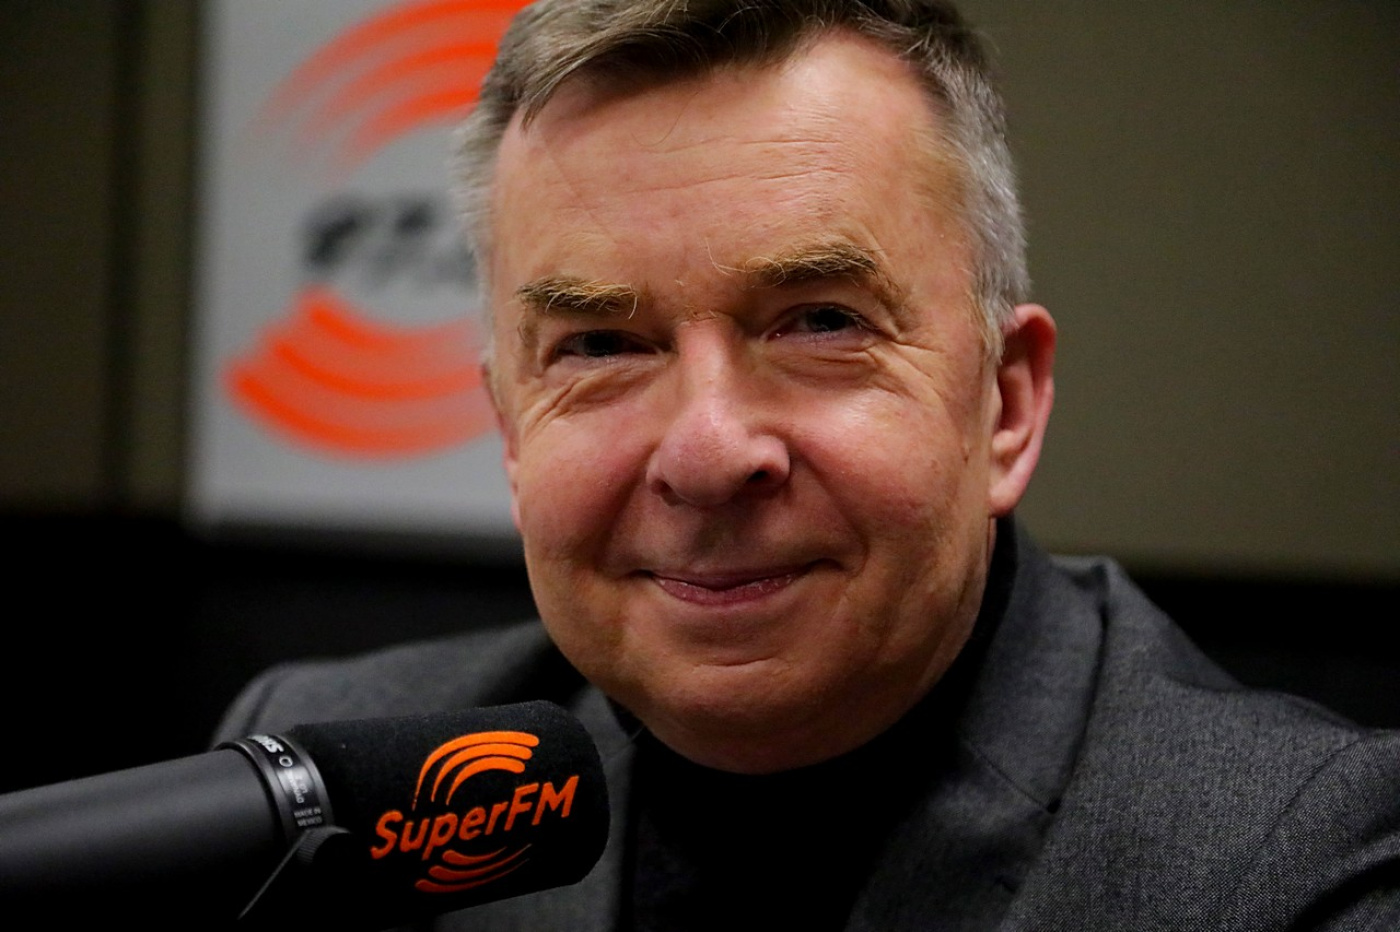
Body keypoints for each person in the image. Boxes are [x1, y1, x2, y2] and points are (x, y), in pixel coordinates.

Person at [219, 2, 1400, 928]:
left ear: (1003, 403)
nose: (706, 452)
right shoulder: (323, 787)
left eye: (819, 322)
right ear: (513, 428)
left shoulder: (1292, 863)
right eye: (600, 346)